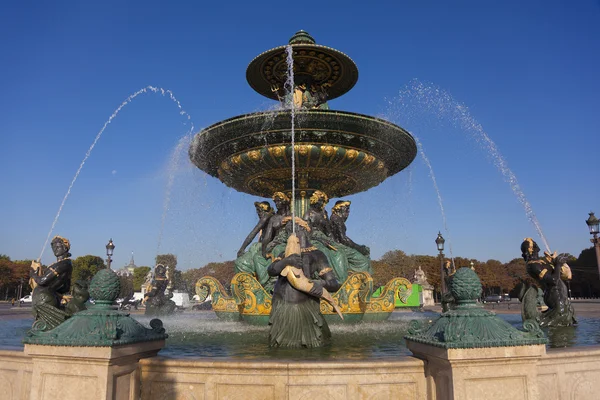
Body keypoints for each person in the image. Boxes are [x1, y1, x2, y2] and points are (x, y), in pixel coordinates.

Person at [267, 217, 341, 348]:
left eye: (296, 229)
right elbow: (271, 270)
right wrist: (286, 261)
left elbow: (333, 284)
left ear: (306, 231)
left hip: (304, 308)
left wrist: (313, 283)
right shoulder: (284, 254)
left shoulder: (317, 255)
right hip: (282, 306)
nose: (292, 233)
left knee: (309, 346)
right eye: (289, 230)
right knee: (279, 348)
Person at [520, 238, 576, 327]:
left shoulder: (539, 262)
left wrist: (555, 262)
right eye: (534, 244)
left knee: (565, 323)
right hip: (555, 296)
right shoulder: (534, 265)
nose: (537, 246)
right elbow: (553, 280)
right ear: (530, 250)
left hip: (558, 295)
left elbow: (557, 274)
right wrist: (557, 264)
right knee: (559, 321)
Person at [29, 235, 73, 329]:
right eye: (53, 247)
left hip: (43, 298)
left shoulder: (62, 264)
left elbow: (42, 280)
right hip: (49, 296)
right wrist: (54, 291)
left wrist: (33, 274)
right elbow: (66, 287)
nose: (55, 249)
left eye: (57, 246)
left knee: (45, 327)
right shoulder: (67, 264)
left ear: (65, 248)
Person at [234, 201, 276, 291]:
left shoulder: (266, 217)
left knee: (241, 262)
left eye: (259, 211)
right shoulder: (270, 216)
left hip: (266, 246)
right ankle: (249, 288)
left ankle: (254, 289)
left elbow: (253, 233)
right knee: (240, 262)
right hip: (261, 245)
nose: (258, 214)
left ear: (265, 210)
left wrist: (242, 248)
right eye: (257, 212)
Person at [329, 200, 373, 278]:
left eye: (348, 210)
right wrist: (359, 248)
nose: (348, 212)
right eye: (346, 209)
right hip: (337, 246)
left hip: (336, 245)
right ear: (339, 209)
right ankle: (361, 283)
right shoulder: (337, 220)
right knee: (363, 261)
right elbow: (343, 239)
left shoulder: (334, 218)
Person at [262, 192, 292, 259]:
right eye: (275, 202)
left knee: (278, 250)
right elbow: (267, 237)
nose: (276, 204)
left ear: (284, 201)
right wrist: (263, 250)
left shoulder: (292, 216)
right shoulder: (273, 218)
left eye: (279, 201)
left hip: (288, 243)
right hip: (275, 242)